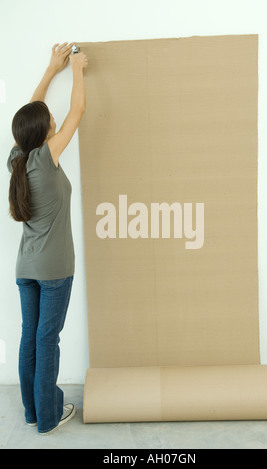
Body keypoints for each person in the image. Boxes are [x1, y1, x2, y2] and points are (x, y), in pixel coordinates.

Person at [7, 43, 88, 435]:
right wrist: (76, 69)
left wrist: (48, 70)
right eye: (48, 120)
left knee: (31, 340)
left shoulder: (19, 159)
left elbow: (29, 118)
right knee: (47, 341)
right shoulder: (45, 156)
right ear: (45, 132)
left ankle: (32, 412)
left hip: (26, 268)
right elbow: (77, 112)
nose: (53, 118)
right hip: (55, 271)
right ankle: (50, 417)